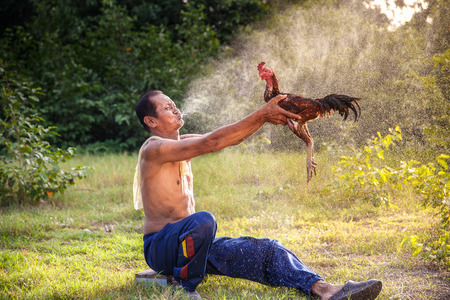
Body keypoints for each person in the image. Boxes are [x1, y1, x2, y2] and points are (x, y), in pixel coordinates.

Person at [133, 89, 382, 300]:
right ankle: (183, 289)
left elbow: (229, 140)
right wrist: (262, 114)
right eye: (167, 108)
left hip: (194, 247)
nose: (175, 110)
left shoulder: (181, 144)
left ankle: (326, 290)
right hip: (161, 248)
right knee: (203, 220)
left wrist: (266, 118)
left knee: (267, 250)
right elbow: (212, 143)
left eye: (174, 105)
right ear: (151, 122)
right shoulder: (153, 149)